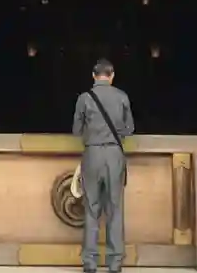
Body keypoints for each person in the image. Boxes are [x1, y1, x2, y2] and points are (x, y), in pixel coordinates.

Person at [73, 58, 135, 273]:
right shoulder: (122, 96)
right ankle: (115, 262)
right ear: (112, 75)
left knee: (91, 208)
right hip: (114, 154)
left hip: (92, 154)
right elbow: (129, 129)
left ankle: (89, 262)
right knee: (114, 209)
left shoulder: (84, 98)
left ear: (93, 75)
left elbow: (76, 130)